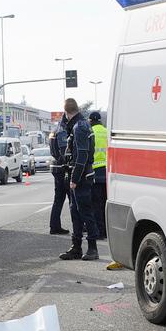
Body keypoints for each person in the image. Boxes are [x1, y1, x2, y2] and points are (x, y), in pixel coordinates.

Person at [59, 98, 99, 261]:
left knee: (85, 213)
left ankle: (92, 248)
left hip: (81, 177)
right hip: (78, 175)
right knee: (75, 212)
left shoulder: (79, 126)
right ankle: (76, 247)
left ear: (66, 112)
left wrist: (75, 179)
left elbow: (82, 155)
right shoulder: (79, 125)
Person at [89, 110, 108, 240]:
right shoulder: (106, 132)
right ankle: (107, 231)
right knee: (105, 203)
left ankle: (100, 232)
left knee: (96, 204)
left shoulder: (91, 132)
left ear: (90, 121)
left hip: (95, 172)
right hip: (107, 172)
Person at [48, 124, 70, 235]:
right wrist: (68, 163)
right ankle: (79, 226)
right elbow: (64, 150)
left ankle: (54, 226)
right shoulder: (62, 131)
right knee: (72, 198)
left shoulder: (55, 130)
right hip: (62, 168)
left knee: (59, 199)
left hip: (56, 167)